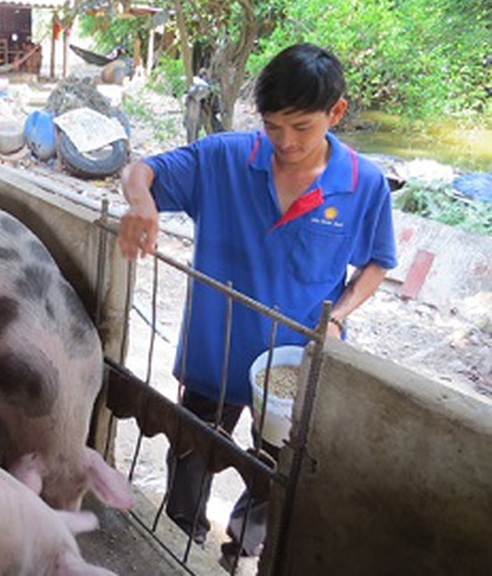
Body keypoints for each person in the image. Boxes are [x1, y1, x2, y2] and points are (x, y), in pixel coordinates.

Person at [117, 43, 398, 567]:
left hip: (289, 369)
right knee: (191, 452)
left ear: (336, 113)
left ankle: (237, 552)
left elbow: (376, 265)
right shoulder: (223, 158)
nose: (285, 142)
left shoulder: (363, 185)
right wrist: (142, 206)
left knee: (272, 473)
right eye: (273, 126)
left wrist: (336, 317)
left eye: (302, 128)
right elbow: (141, 171)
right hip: (212, 353)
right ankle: (180, 544)